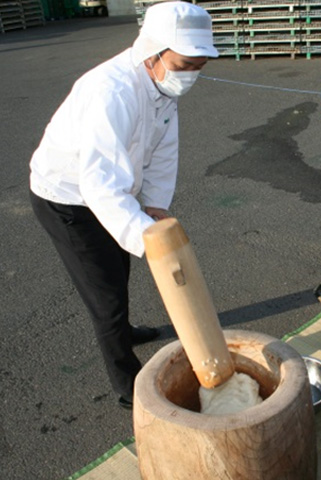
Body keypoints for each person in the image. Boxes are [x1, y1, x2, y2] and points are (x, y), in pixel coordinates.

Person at [29, 1, 219, 410]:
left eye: (199, 67)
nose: (191, 75)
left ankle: (124, 329)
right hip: (67, 198)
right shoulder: (112, 92)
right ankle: (126, 382)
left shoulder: (162, 86)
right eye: (186, 63)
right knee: (105, 293)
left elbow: (163, 149)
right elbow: (98, 186)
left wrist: (155, 206)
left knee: (120, 267)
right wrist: (150, 239)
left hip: (112, 191)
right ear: (154, 53)